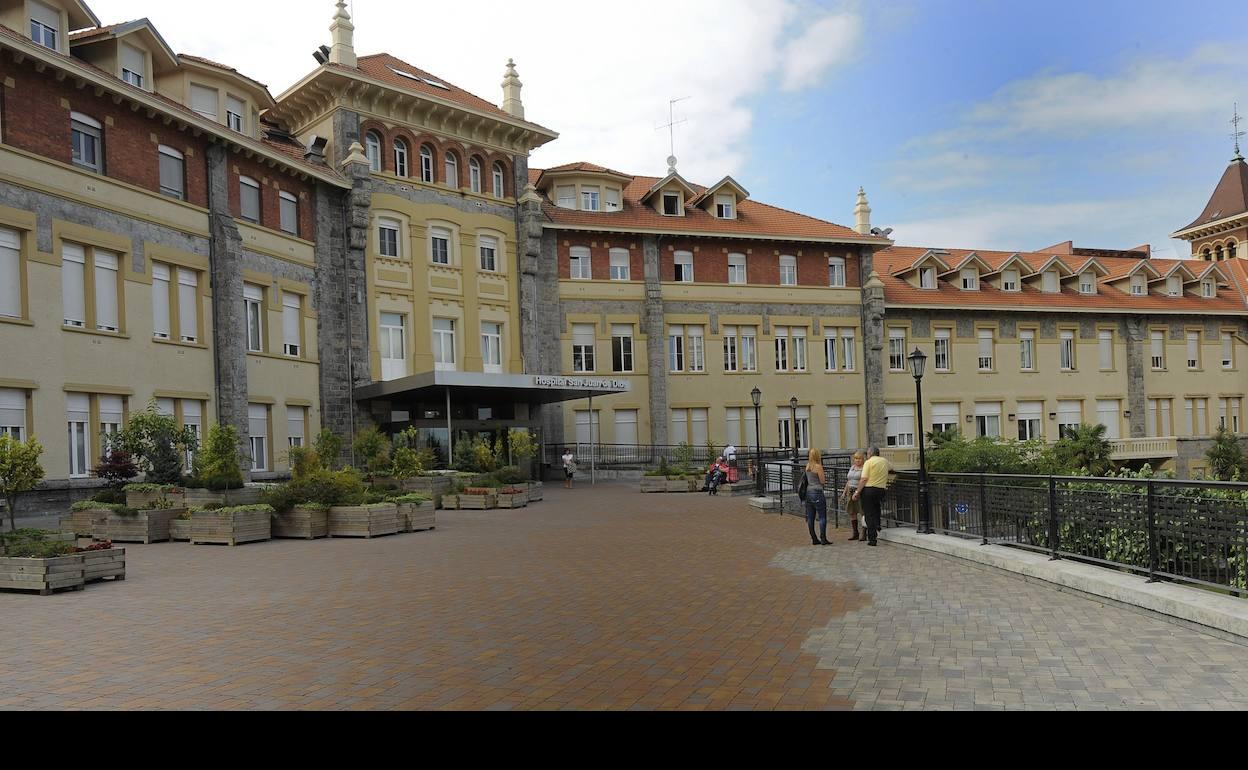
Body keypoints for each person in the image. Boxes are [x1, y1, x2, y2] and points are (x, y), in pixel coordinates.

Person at [853, 447, 890, 547]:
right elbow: (891, 469)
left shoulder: (868, 463)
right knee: (877, 508)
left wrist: (857, 492)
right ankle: (877, 525)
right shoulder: (885, 461)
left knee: (869, 514)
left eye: (867, 454)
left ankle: (872, 538)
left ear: (870, 454)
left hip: (869, 490)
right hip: (881, 490)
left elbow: (864, 479)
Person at [802, 448, 831, 546]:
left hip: (809, 492)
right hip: (817, 491)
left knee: (810, 517)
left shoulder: (808, 466)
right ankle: (823, 538)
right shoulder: (818, 467)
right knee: (822, 516)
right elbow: (822, 481)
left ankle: (814, 538)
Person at [841, 451, 866, 542]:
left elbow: (863, 480)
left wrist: (857, 492)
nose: (857, 460)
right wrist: (844, 493)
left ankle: (864, 532)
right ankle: (855, 533)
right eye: (856, 458)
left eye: (859, 458)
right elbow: (848, 481)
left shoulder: (864, 468)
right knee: (852, 512)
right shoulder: (852, 467)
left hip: (859, 492)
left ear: (863, 460)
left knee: (862, 512)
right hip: (850, 491)